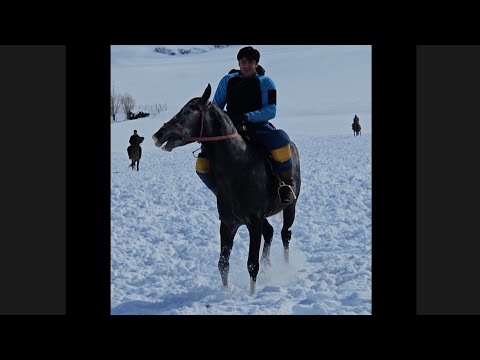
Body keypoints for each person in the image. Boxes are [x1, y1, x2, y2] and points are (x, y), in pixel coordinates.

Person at [195, 46, 296, 204]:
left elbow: (271, 110)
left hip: (257, 126)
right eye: (243, 62)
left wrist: (246, 116)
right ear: (239, 63)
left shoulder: (266, 82)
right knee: (202, 164)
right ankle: (218, 191)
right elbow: (216, 108)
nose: (246, 65)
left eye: (250, 62)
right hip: (230, 126)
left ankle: (286, 184)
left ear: (256, 63)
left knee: (281, 140)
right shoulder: (227, 80)